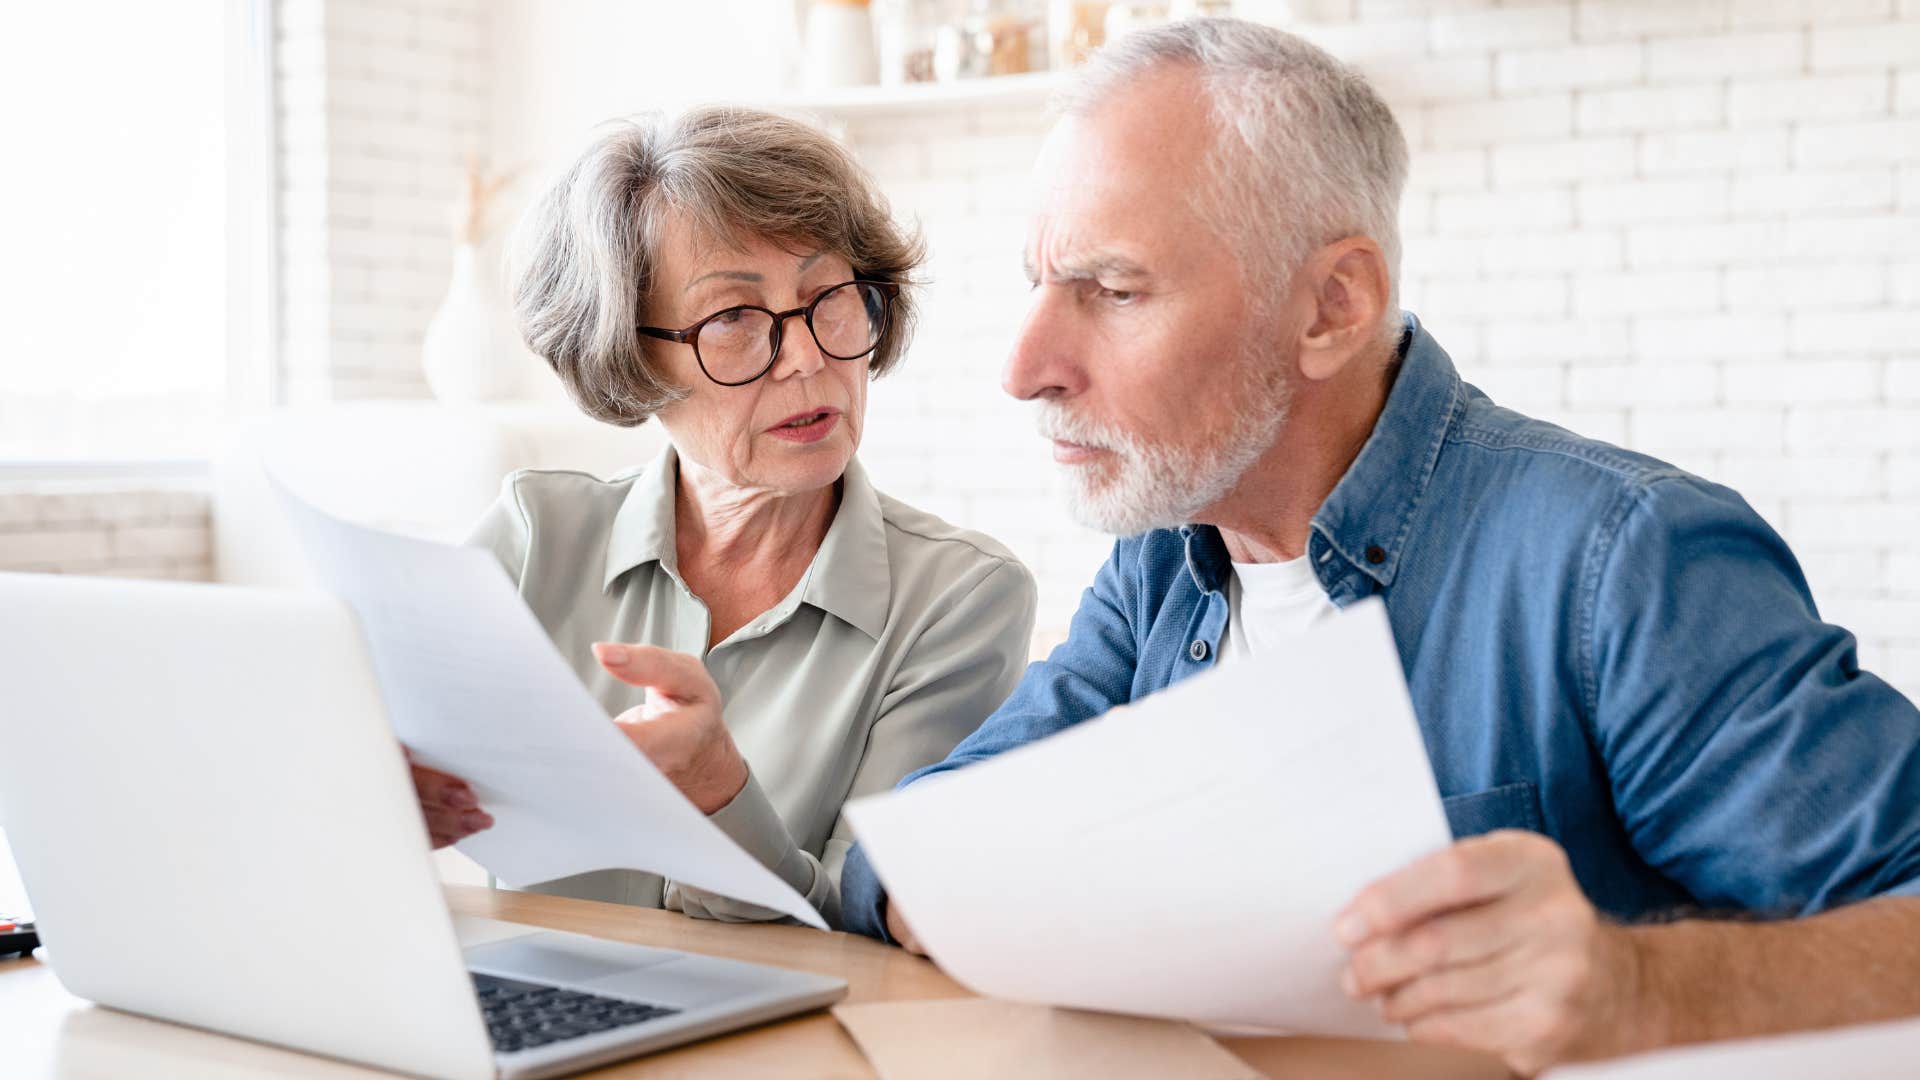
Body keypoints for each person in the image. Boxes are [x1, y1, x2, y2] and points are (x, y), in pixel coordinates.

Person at [837, 18, 1920, 1075]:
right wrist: (940, 889)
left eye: (1114, 291)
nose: (1025, 370)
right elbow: (917, 842)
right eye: (1040, 284)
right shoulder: (1167, 560)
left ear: (1332, 308)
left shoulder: (1617, 561)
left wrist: (1638, 988)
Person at [408, 107, 1037, 929]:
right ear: (629, 357)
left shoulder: (959, 600)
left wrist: (720, 796)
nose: (808, 356)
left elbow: (879, 925)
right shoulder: (534, 538)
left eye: (830, 298)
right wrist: (381, 789)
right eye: (734, 320)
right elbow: (343, 757)